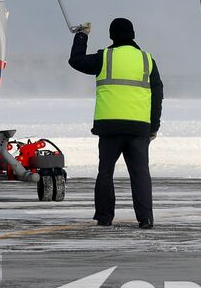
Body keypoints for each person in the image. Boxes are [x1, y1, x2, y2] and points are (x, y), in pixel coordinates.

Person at [68, 17, 163, 229]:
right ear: (133, 34)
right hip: (139, 128)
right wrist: (153, 126)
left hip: (110, 127)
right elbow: (158, 96)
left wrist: (81, 35)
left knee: (105, 173)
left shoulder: (105, 57)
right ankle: (145, 218)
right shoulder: (147, 60)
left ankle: (104, 217)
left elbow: (76, 61)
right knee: (140, 174)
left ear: (112, 35)